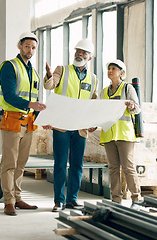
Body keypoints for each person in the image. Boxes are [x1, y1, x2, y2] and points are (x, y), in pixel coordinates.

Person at [43, 38, 98, 212]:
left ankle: (72, 199)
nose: (79, 54)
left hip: (80, 127)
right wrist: (49, 75)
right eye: (78, 51)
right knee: (60, 163)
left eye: (84, 52)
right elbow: (49, 85)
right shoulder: (62, 70)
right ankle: (59, 200)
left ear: (90, 57)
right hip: (62, 126)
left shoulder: (93, 78)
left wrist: (94, 121)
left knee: (77, 165)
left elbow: (93, 101)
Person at [0, 32, 47, 216]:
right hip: (12, 120)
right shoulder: (9, 66)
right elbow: (9, 95)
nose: (30, 50)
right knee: (9, 164)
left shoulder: (33, 72)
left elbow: (34, 100)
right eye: (27, 46)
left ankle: (17, 198)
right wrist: (29, 105)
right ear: (19, 46)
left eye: (33, 47)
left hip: (29, 123)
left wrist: (42, 118)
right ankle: (8, 201)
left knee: (21, 164)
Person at [99, 59, 142, 204]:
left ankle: (136, 199)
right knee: (113, 168)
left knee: (128, 167)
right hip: (109, 135)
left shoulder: (127, 88)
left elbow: (137, 109)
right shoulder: (104, 92)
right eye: (109, 68)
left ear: (121, 73)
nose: (110, 71)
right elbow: (100, 113)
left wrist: (131, 105)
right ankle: (116, 199)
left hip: (124, 134)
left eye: (113, 69)